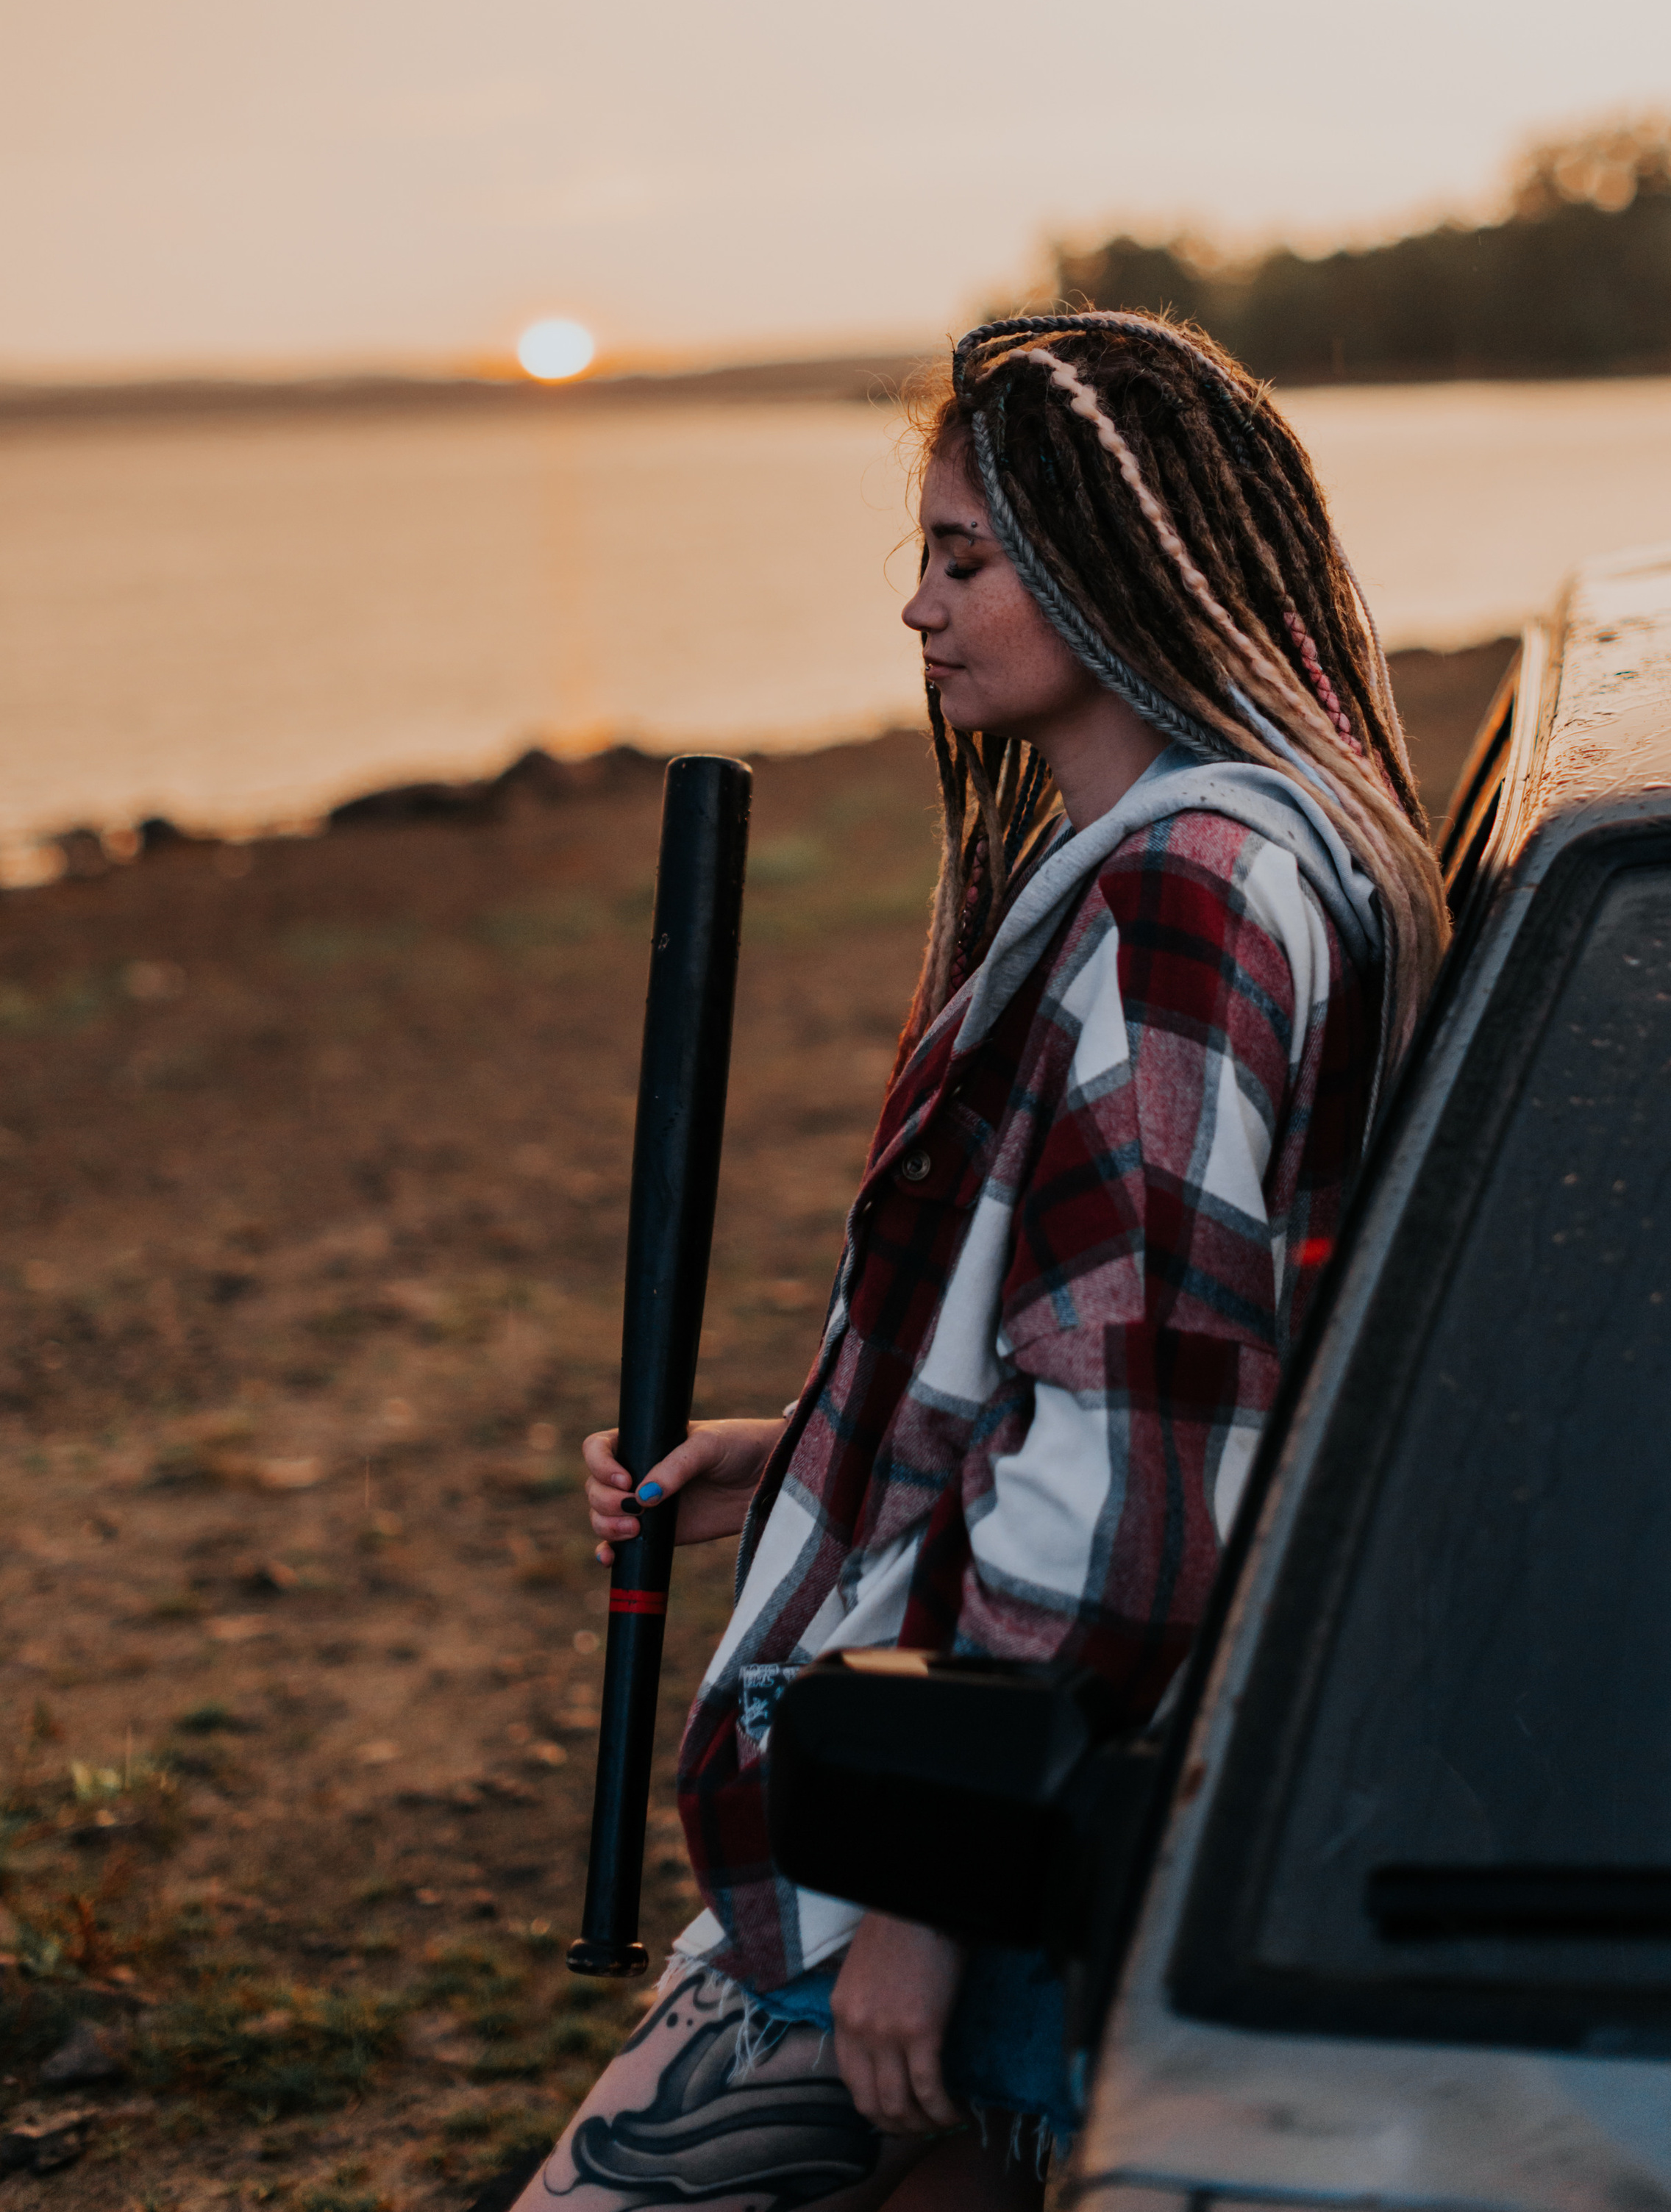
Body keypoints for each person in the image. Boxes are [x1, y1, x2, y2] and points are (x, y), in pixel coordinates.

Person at [512, 313, 1448, 2212]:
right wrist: (807, 1452)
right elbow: (1158, 1359)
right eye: (922, 562)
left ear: (1115, 568)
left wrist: (924, 1893)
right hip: (1065, 1771)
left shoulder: (1188, 887)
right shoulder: (1265, 853)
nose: (921, 614)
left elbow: (1133, 1460)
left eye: (966, 559)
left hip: (977, 1812)